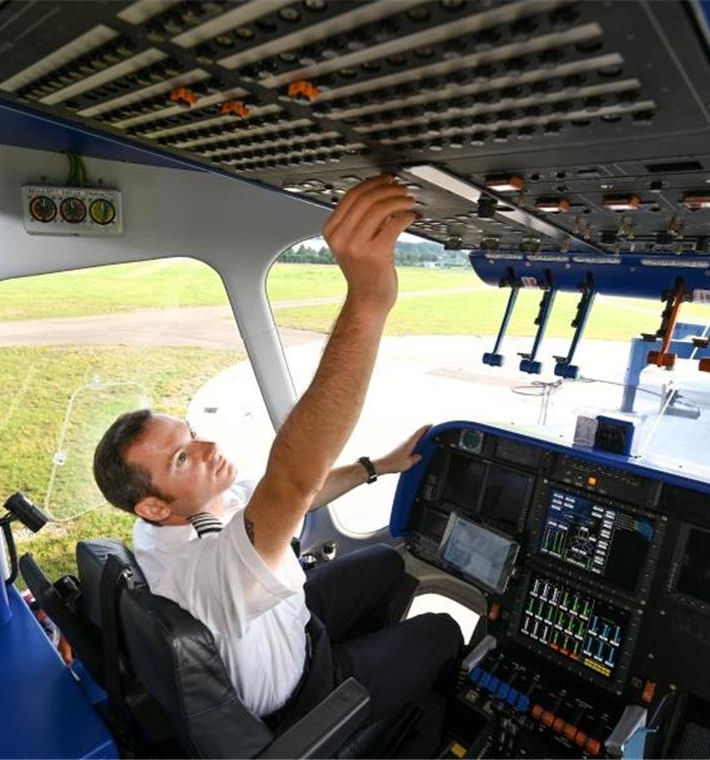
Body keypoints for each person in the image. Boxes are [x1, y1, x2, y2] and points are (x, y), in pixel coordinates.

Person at [92, 176, 463, 727]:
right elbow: (289, 481)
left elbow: (297, 495)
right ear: (151, 505)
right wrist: (368, 300)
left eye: (190, 435)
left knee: (386, 561)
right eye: (182, 458)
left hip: (290, 623)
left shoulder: (181, 513)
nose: (208, 447)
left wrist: (376, 467)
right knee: (443, 631)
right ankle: (394, 724)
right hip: (302, 697)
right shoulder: (200, 572)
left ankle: (377, 678)